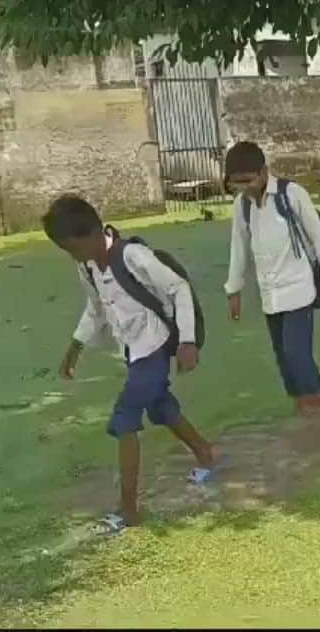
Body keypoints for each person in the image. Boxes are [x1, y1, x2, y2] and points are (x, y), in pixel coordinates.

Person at [44, 195, 214, 533]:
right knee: (161, 407)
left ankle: (129, 509)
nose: (72, 256)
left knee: (125, 419)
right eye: (66, 250)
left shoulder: (133, 256)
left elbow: (178, 288)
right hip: (132, 351)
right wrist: (75, 347)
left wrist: (188, 342)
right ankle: (206, 453)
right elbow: (96, 309)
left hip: (155, 347)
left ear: (94, 233)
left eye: (73, 247)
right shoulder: (87, 267)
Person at [224, 141, 320, 416]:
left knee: (296, 353)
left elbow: (319, 237)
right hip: (270, 293)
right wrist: (234, 289)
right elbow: (239, 247)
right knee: (283, 357)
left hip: (299, 287)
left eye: (248, 180)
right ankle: (302, 406)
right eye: (237, 183)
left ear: (264, 172)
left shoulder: (292, 194)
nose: (244, 188)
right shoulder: (242, 206)